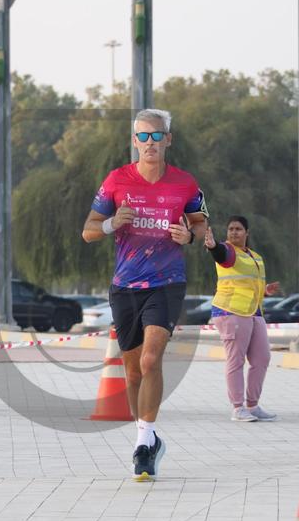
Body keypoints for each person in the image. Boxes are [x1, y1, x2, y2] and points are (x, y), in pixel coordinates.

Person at [82, 108, 209, 480]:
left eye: (156, 136)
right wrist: (111, 223)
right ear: (135, 141)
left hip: (167, 283)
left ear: (168, 139)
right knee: (133, 372)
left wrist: (189, 235)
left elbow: (202, 225)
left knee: (152, 360)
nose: (150, 143)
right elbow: (88, 231)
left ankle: (142, 443)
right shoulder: (116, 180)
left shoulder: (185, 183)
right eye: (143, 136)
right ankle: (150, 438)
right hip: (125, 286)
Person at [204, 215, 280, 422]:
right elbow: (221, 255)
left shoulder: (255, 257)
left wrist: (265, 291)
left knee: (262, 358)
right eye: (231, 229)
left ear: (247, 233)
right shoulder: (227, 250)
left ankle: (252, 405)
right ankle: (238, 408)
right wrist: (213, 246)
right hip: (230, 311)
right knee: (236, 360)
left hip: (254, 312)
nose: (234, 232)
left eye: (238, 229)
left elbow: (249, 285)